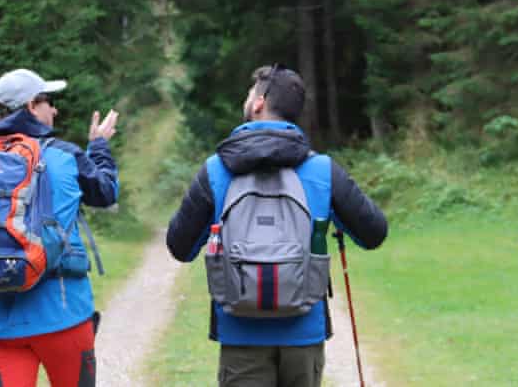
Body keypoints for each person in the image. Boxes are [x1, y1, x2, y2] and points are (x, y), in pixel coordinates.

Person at [165, 64, 388, 387]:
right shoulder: (322, 171)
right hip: (304, 333)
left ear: (258, 103)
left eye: (248, 93)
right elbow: (374, 232)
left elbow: (179, 246)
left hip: (239, 334)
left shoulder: (216, 170)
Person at [0, 68, 119, 387]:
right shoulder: (65, 155)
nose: (55, 109)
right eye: (48, 101)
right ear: (31, 107)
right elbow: (105, 193)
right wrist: (99, 146)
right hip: (63, 315)